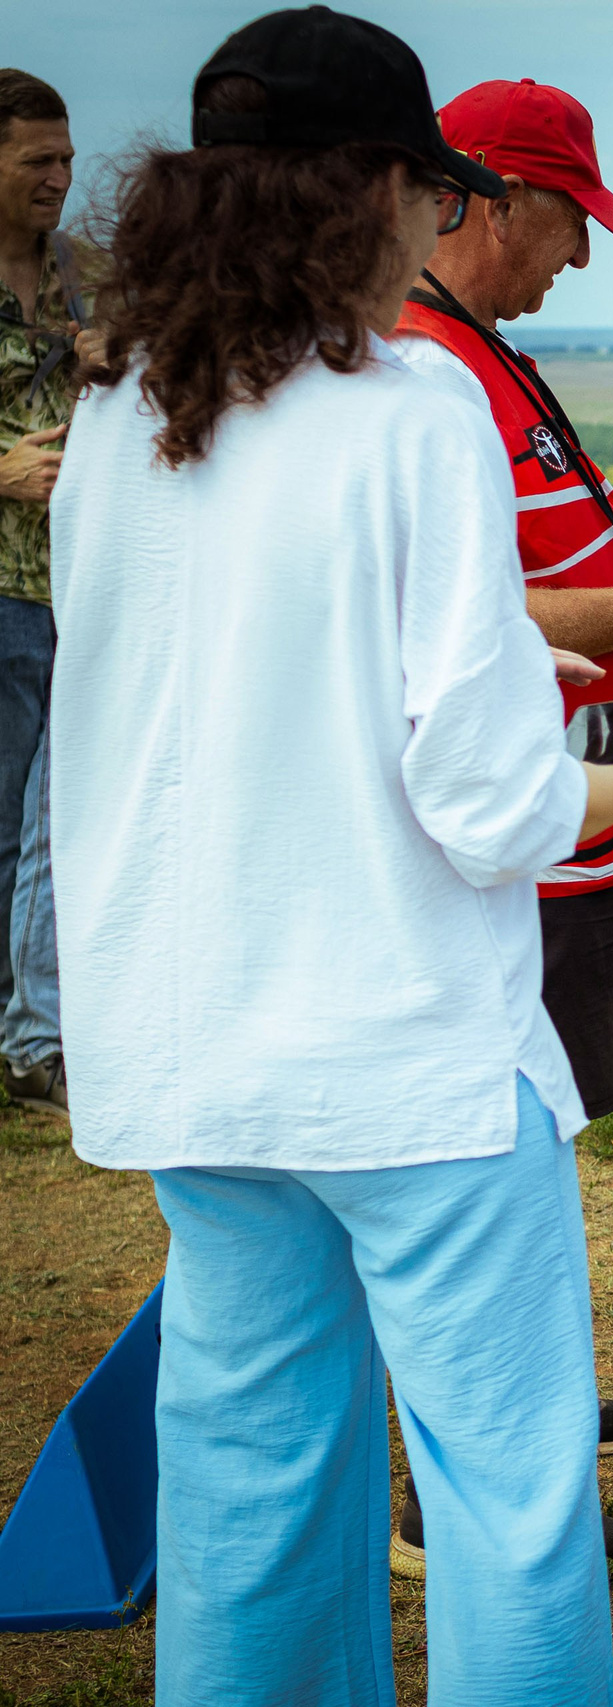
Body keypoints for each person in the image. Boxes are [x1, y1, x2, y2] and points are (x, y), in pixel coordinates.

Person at [49, 11, 613, 1700]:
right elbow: (492, 809)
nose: (434, 230)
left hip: (191, 1048)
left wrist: (499, 653)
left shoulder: (116, 417)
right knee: (506, 1492)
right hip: (403, 1058)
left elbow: (205, 683)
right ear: (375, 199)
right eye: (430, 196)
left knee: (250, 1485)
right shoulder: (414, 408)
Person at [389, 79, 613, 1550]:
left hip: (583, 796)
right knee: (487, 1159)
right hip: (513, 835)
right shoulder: (426, 368)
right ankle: (455, 1482)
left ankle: (520, 1403)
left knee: (539, 1141)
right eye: (567, 221)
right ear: (477, 198)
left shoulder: (479, 352)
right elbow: (461, 622)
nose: (581, 259)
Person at [0, 68, 100, 1115]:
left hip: (75, 579)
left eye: (67, 158)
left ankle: (38, 1037)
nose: (61, 179)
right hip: (1, 579)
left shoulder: (86, 273)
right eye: (39, 160)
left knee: (54, 818)